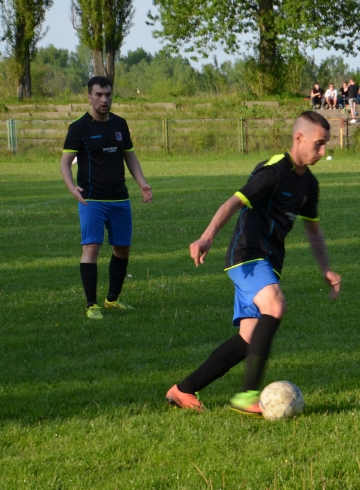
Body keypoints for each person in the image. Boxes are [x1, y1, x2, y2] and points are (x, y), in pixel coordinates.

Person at [165, 111, 341, 414]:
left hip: (269, 262)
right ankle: (247, 395)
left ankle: (183, 389)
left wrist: (325, 267)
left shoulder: (308, 185)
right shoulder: (273, 171)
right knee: (275, 305)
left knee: (247, 339)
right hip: (246, 255)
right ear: (299, 138)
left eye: (326, 144)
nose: (323, 151)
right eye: (319, 144)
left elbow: (313, 229)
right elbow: (234, 201)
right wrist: (207, 237)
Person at [60, 76, 153, 320]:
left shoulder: (120, 124)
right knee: (91, 248)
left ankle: (112, 300)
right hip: (92, 199)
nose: (104, 99)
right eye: (99, 94)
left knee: (122, 249)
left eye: (108, 94)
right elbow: (65, 162)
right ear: (89, 96)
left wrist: (142, 183)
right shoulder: (79, 127)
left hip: (119, 199)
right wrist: (72, 188)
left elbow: (129, 156)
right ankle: (91, 305)